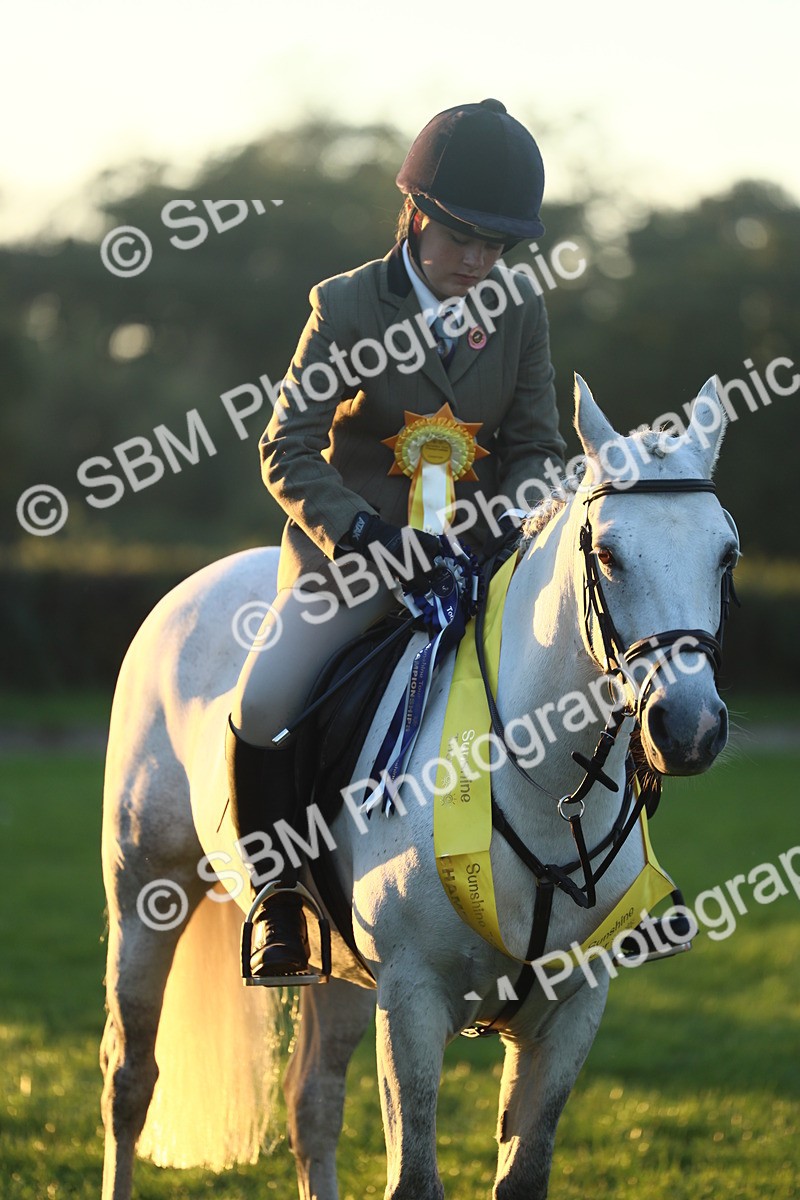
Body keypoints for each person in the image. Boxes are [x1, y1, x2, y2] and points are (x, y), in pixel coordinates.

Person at [226, 98, 567, 981]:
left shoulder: (518, 312)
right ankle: (281, 900)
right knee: (264, 700)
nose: (479, 260)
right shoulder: (344, 305)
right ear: (418, 213)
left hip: (478, 563)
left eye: (497, 245)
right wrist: (369, 536)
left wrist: (497, 529)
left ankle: (598, 885)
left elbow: (536, 446)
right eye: (462, 238)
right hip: (358, 560)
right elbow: (286, 446)